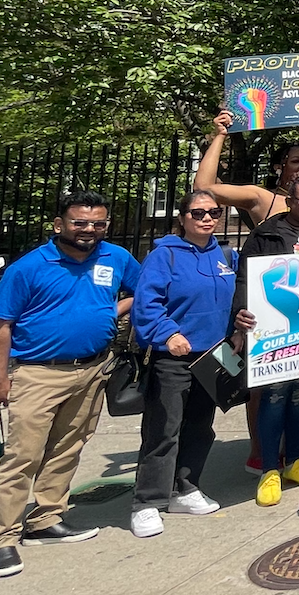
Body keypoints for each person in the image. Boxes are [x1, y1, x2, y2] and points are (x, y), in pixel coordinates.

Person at [0, 192, 141, 578]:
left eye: (98, 223)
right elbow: (0, 328)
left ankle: (46, 518)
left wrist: (110, 310)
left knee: (69, 446)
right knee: (22, 456)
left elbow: (144, 289)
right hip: (38, 373)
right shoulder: (28, 268)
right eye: (80, 223)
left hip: (92, 369)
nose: (89, 230)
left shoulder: (115, 257)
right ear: (59, 224)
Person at [129, 191, 254, 538]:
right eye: (198, 213)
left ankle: (185, 487)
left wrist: (237, 327)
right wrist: (168, 334)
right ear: (183, 217)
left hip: (214, 355)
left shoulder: (227, 254)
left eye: (213, 212)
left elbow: (235, 299)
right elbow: (147, 304)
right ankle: (147, 502)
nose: (207, 218)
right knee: (163, 429)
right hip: (175, 357)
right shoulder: (164, 255)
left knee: (201, 425)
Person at [235, 178, 299, 507]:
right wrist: (240, 313)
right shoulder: (266, 233)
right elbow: (245, 276)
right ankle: (270, 468)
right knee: (274, 394)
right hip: (272, 333)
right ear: (290, 202)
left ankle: (295, 461)